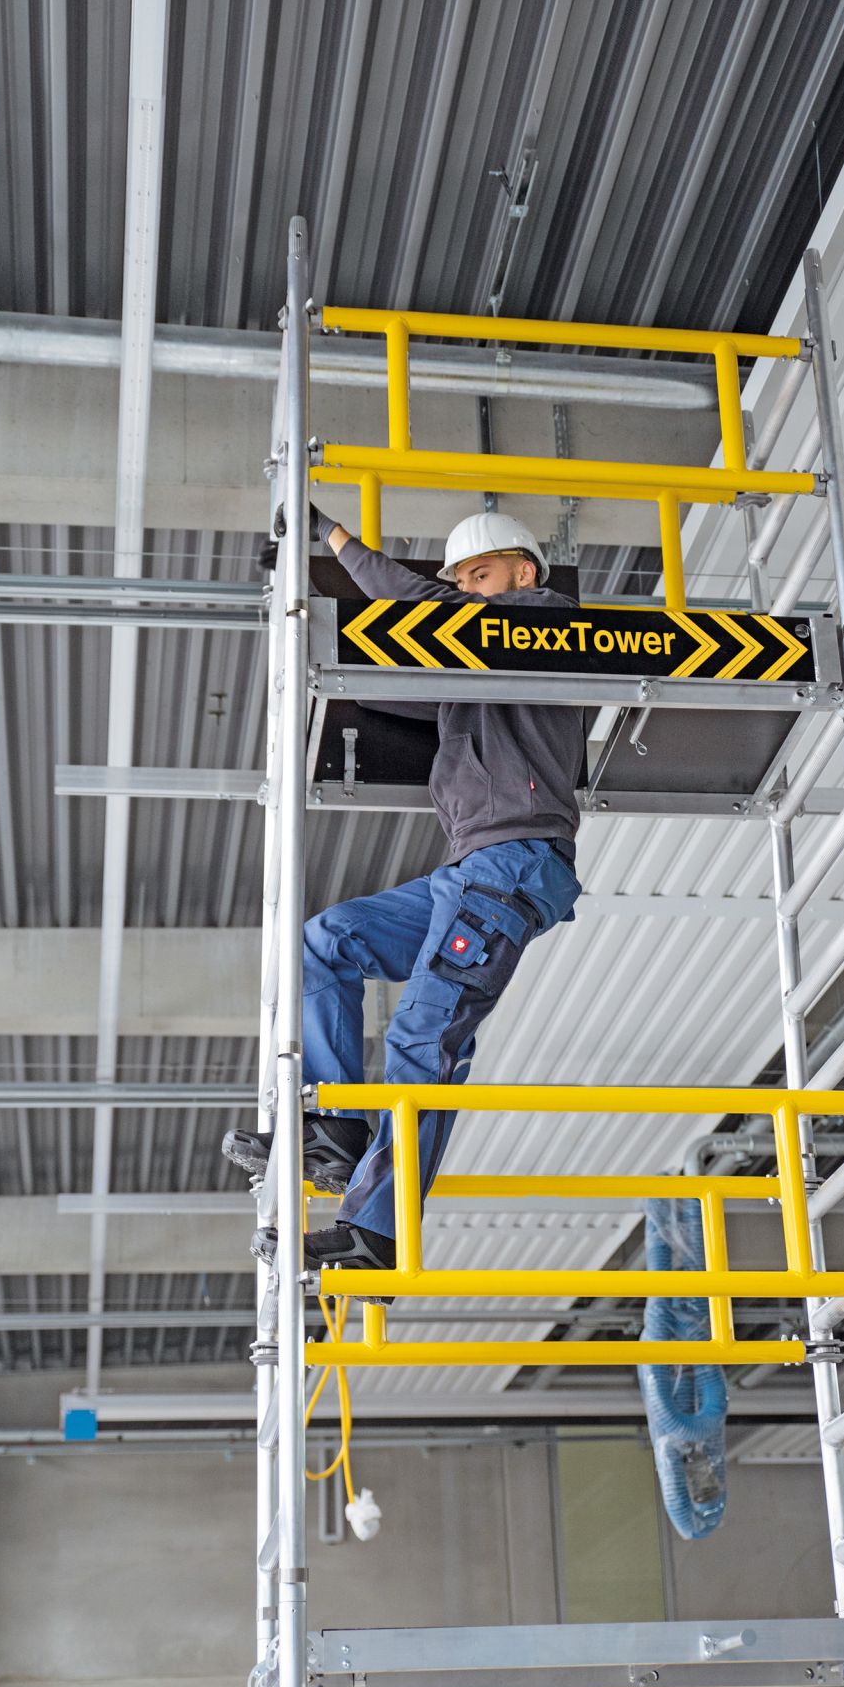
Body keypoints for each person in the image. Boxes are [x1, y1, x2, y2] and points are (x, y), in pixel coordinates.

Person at [231, 505, 584, 1278]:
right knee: (325, 942)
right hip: (470, 874)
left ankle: (378, 1231)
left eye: (477, 575)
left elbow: (430, 614)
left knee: (425, 1040)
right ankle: (341, 1126)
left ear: (524, 574)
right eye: (458, 581)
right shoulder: (476, 672)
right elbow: (392, 676)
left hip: (513, 861)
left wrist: (336, 543)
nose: (463, 590)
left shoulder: (539, 621)